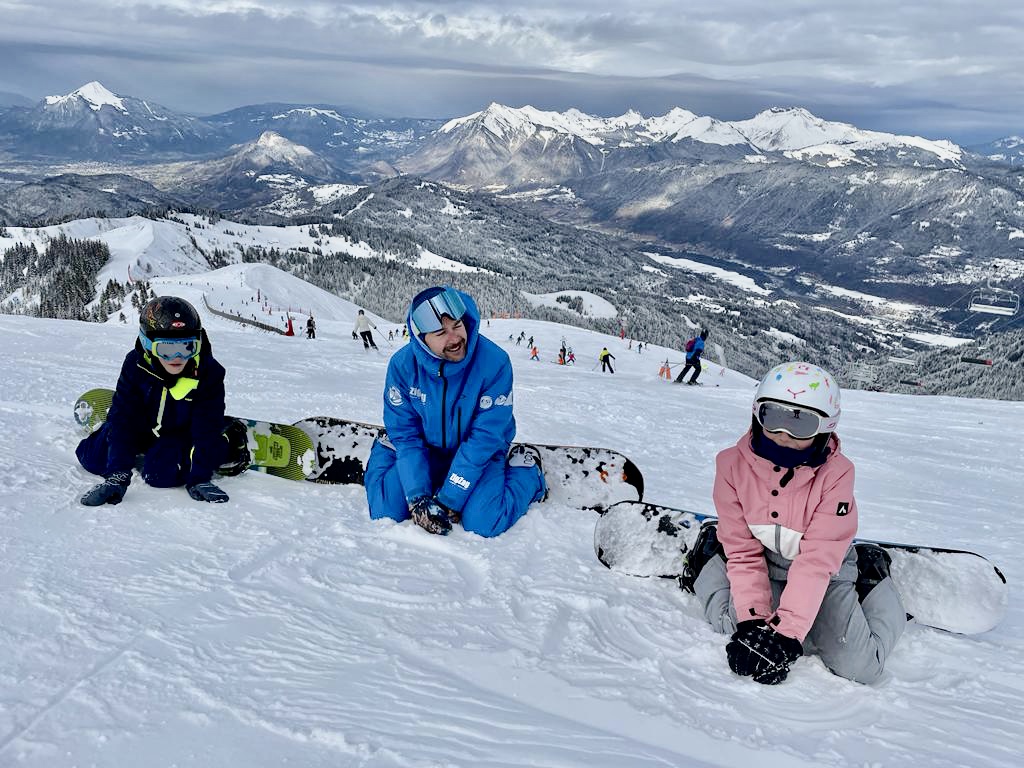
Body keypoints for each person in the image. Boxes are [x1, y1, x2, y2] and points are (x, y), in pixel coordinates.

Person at [680, 362, 905, 685]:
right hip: (765, 559)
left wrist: (787, 636)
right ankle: (709, 555)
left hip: (825, 569)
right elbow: (743, 553)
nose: (784, 435)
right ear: (757, 414)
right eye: (773, 417)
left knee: (860, 666)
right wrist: (752, 622)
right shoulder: (731, 466)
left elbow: (816, 563)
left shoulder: (836, 475)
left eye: (800, 423)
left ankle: (873, 575)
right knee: (735, 625)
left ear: (825, 427)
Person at [364, 286, 547, 538]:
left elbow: (485, 437)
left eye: (457, 325)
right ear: (422, 339)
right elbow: (406, 434)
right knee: (386, 510)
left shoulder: (494, 363)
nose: (454, 338)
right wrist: (418, 497)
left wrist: (451, 497)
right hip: (426, 449)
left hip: (480, 452)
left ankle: (528, 472)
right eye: (441, 332)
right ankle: (385, 449)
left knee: (484, 522)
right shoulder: (402, 366)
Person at [76, 296, 245, 506]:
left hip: (181, 431)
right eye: (166, 349)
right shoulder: (135, 364)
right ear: (148, 345)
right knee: (91, 458)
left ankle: (227, 438)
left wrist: (199, 477)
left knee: (161, 476)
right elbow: (123, 421)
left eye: (187, 347)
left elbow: (205, 430)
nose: (177, 357)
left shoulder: (209, 372)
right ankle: (122, 419)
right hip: (144, 424)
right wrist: (118, 475)